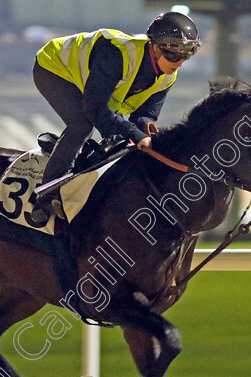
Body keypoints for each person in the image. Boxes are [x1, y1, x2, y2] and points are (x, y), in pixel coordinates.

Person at [30, 12, 201, 223]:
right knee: (82, 125)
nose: (180, 63)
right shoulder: (118, 54)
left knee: (125, 141)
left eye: (186, 56)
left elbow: (144, 115)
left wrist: (146, 131)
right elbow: (96, 110)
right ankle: (46, 197)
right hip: (53, 67)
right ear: (155, 47)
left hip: (90, 87)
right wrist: (133, 133)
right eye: (174, 55)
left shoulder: (168, 75)